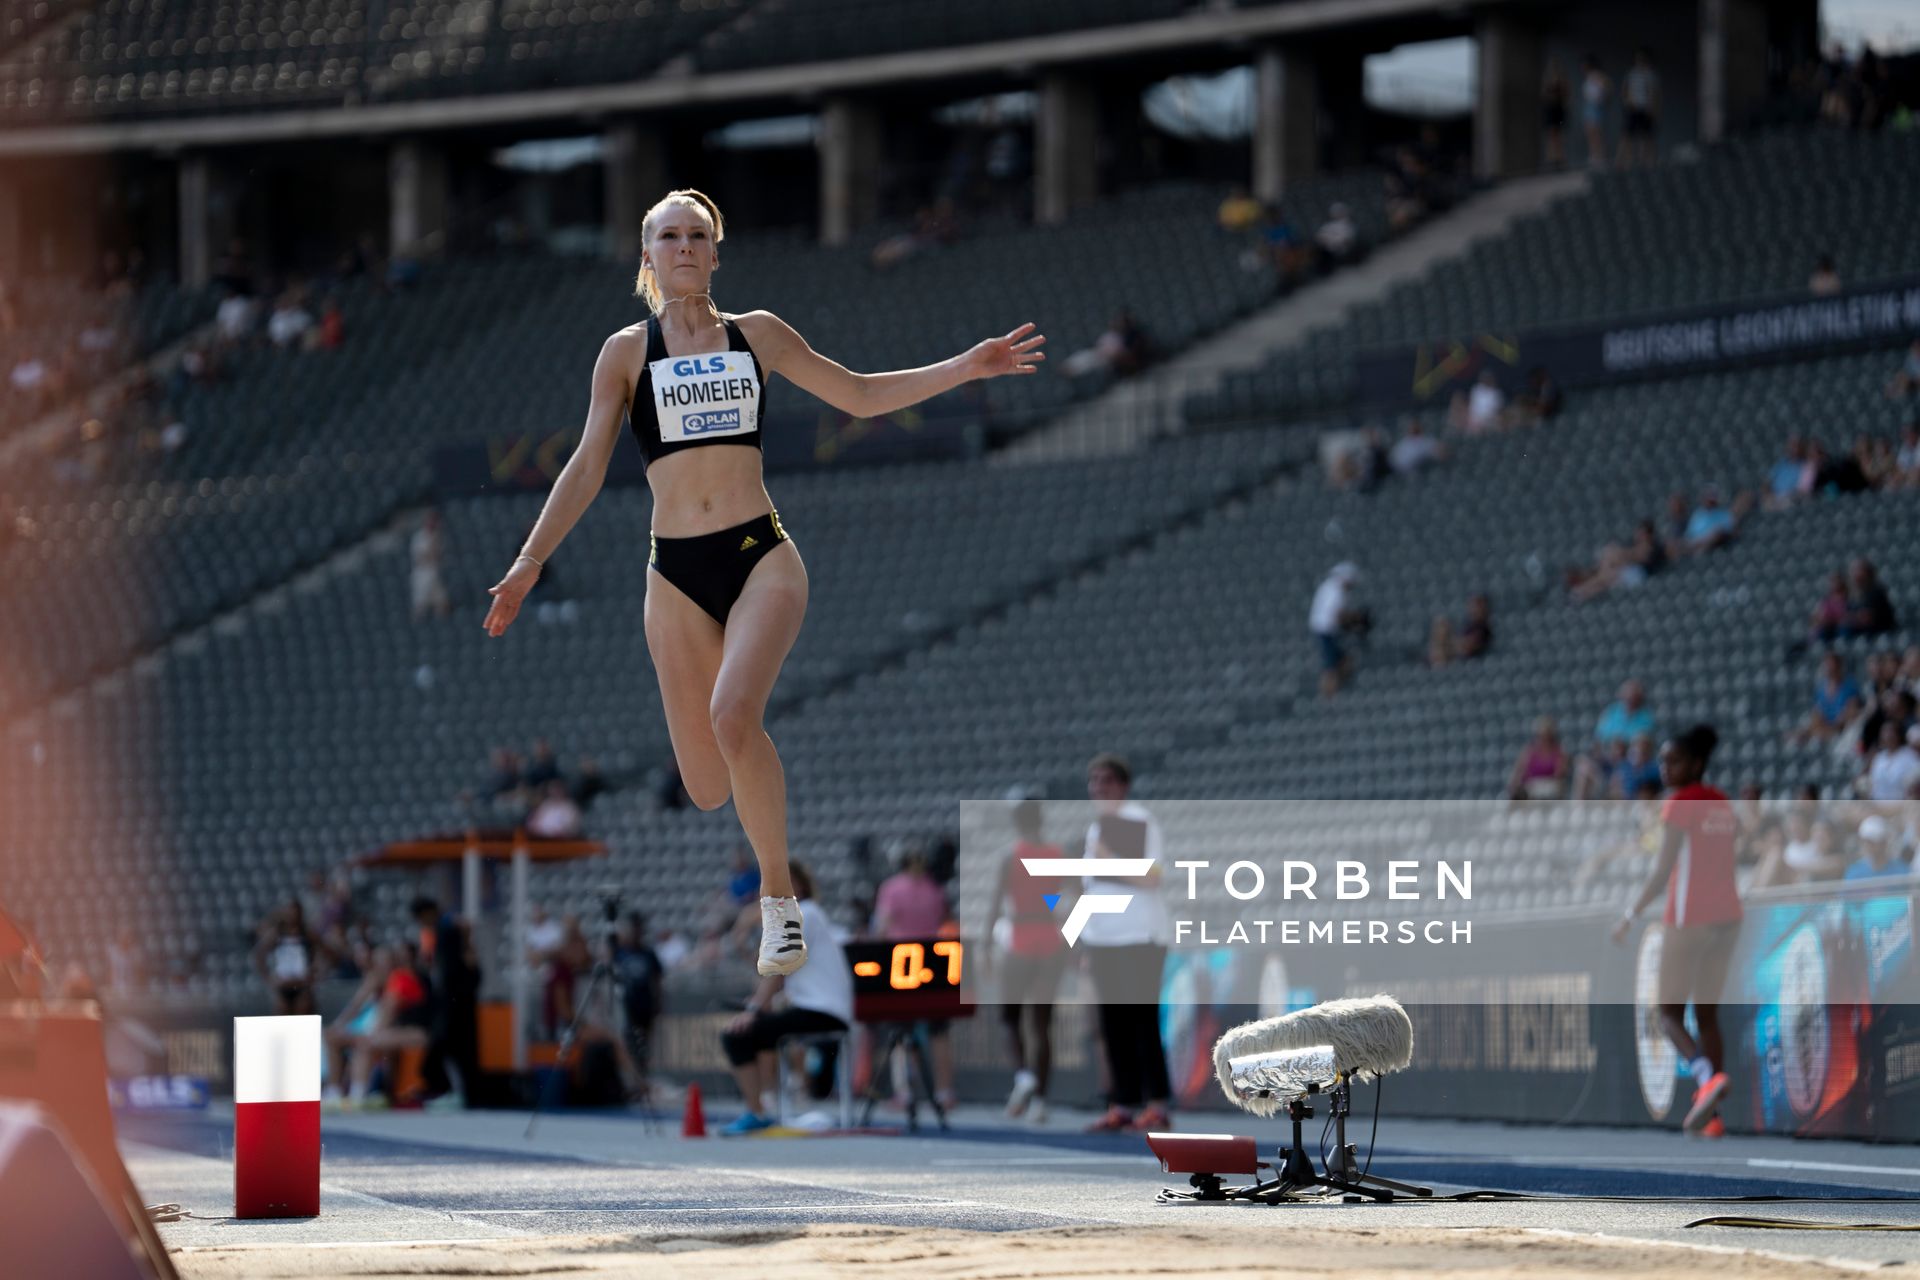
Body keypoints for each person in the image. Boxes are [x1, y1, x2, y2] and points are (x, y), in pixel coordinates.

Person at [483, 189, 1044, 979]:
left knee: (734, 714)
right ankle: (759, 852)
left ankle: (779, 903)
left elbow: (860, 393)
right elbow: (585, 466)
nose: (683, 247)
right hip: (673, 575)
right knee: (708, 784)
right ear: (647, 256)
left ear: (716, 252)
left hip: (759, 554)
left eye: (697, 236)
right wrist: (527, 561)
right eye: (668, 236)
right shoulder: (624, 354)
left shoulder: (759, 336)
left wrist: (968, 365)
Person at [1610, 725, 1742, 1138]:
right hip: (1728, 918)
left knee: (1666, 1012)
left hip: (1689, 918)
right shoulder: (1721, 802)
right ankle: (1714, 1117)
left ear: (1696, 764)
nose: (1665, 768)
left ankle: (1705, 1075)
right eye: (1663, 761)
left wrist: (1629, 915)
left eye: (1674, 761)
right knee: (1706, 1016)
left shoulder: (1679, 803)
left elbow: (1663, 870)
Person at [719, 862, 852, 1134]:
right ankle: (766, 1102)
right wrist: (741, 941)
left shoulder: (804, 914)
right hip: (817, 1007)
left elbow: (777, 969)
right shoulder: (805, 915)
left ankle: (758, 1109)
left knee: (737, 1034)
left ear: (800, 885)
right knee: (760, 1029)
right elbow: (769, 968)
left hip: (823, 1010)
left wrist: (754, 1008)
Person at [1080, 754, 1173, 1134]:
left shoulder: (1138, 820)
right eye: (1094, 780)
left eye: (1106, 780)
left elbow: (1152, 877)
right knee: (1112, 1023)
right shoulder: (1096, 828)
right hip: (1104, 937)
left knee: (1141, 1021)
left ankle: (1155, 1104)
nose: (1099, 788)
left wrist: (1109, 858)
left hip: (1139, 934)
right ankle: (1122, 1102)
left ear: (1122, 785)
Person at [982, 797, 1066, 1126]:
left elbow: (995, 903)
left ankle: (1023, 1075)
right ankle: (1040, 1101)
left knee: (1009, 1017)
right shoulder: (1057, 854)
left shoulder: (1010, 856)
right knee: (1041, 1025)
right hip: (1049, 937)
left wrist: (986, 944)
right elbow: (1064, 896)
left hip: (1019, 937)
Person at [870, 845, 956, 1109]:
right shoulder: (935, 889)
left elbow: (882, 928)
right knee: (938, 1031)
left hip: (902, 964)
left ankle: (904, 1091)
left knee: (900, 1031)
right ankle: (944, 1091)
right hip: (932, 961)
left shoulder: (891, 888)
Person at [252, 900, 325, 1016]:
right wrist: (269, 978)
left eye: (295, 912)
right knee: (282, 1014)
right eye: (290, 911)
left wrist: (316, 974)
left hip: (302, 985)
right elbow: (259, 954)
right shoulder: (277, 934)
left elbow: (322, 951)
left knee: (302, 1013)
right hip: (283, 985)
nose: (293, 915)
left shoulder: (307, 933)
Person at [1308, 562, 1363, 698]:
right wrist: (1354, 620)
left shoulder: (1328, 587)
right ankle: (1329, 695)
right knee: (1331, 667)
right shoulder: (1337, 591)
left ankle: (1334, 691)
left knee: (1343, 662)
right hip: (1327, 631)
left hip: (1325, 630)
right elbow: (1337, 616)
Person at [1506, 716, 1568, 802]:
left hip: (1549, 786)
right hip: (1530, 786)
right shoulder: (1529, 751)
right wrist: (1515, 784)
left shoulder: (1559, 751)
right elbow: (1518, 772)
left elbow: (1559, 774)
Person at [1617, 47, 1659, 168]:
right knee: (1627, 135)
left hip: (1646, 109)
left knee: (1647, 136)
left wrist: (1653, 109)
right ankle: (1625, 161)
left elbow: (1655, 93)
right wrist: (1627, 102)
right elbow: (1625, 89)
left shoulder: (1651, 74)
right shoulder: (1632, 74)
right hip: (1633, 109)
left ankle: (1647, 161)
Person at [410, 510, 450, 620]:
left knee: (442, 604)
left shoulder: (438, 537)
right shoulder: (419, 537)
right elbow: (420, 557)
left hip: (435, 573)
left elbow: (438, 555)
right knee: (420, 607)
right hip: (422, 574)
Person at [1845, 815, 1907, 881]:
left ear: (1885, 842)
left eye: (1877, 841)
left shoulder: (1902, 870)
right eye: (1868, 842)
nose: (1872, 847)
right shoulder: (1854, 872)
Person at [1579, 54, 1610, 168]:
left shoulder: (1598, 76)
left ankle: (1600, 158)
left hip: (1596, 106)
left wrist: (1600, 99)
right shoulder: (1587, 76)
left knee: (1597, 133)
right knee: (1590, 133)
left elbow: (1605, 89)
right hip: (1588, 106)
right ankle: (1593, 156)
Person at [1542, 61, 1570, 169]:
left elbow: (1565, 94)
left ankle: (1560, 157)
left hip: (1558, 109)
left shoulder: (1561, 80)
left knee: (1558, 134)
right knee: (1551, 134)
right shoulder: (1547, 80)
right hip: (1551, 109)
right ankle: (1552, 158)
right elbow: (1544, 94)